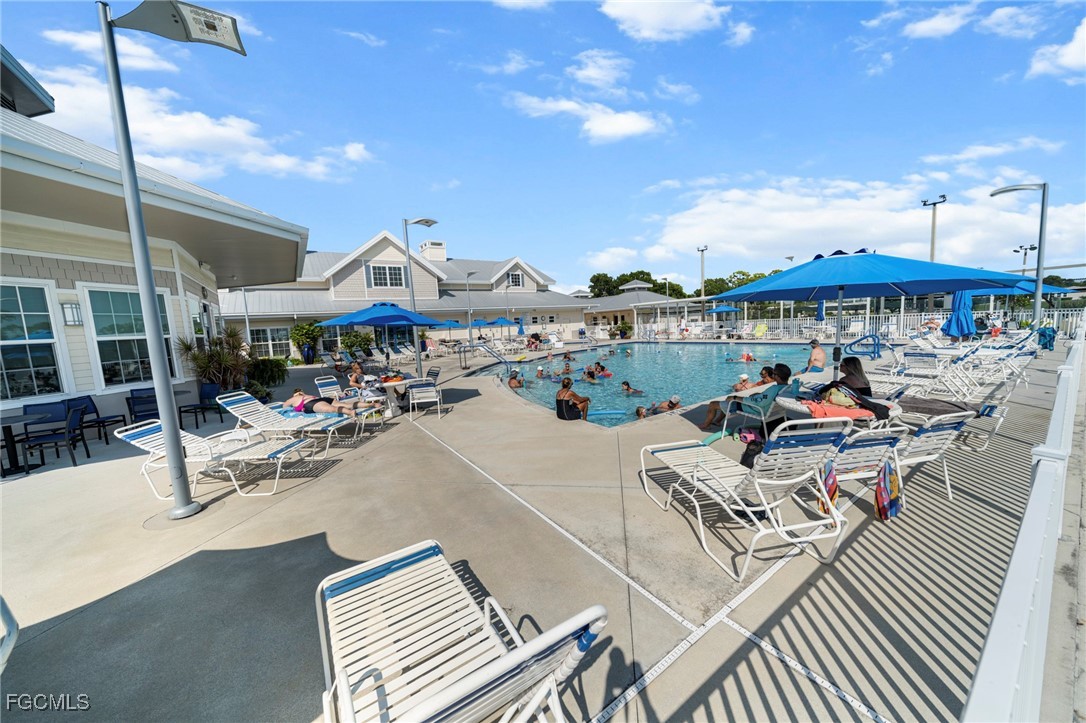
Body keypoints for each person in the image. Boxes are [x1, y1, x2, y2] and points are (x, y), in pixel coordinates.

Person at [283, 389, 367, 417]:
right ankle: (370, 404)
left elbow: (284, 406)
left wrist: (291, 401)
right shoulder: (307, 395)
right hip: (322, 399)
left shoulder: (294, 398)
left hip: (311, 404)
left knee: (332, 409)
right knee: (347, 405)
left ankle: (350, 412)